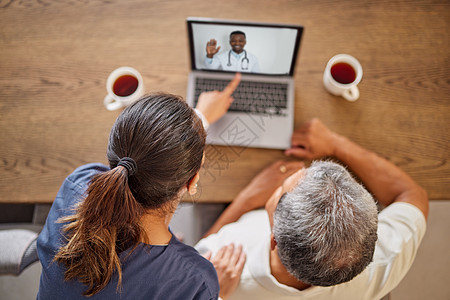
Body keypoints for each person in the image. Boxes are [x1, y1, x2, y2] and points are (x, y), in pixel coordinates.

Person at [37, 74, 247, 300]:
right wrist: (220, 294)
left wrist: (199, 119)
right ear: (192, 182)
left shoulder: (79, 184)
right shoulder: (195, 281)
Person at [195, 118, 428, 300]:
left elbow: (189, 259)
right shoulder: (385, 262)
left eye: (281, 190)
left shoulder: (213, 274)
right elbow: (412, 195)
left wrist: (246, 200)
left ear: (274, 239)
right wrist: (335, 144)